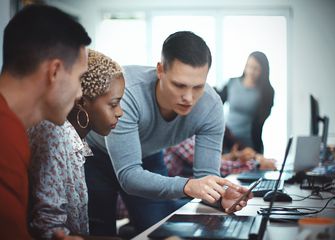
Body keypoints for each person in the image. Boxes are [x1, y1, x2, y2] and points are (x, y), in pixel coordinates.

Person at [85, 31, 251, 235]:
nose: (189, 98)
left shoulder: (210, 106)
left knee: (160, 228)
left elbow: (206, 179)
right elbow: (129, 176)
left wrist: (220, 198)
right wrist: (188, 185)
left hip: (149, 156)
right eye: (179, 85)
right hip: (96, 156)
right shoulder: (128, 93)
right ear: (160, 70)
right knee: (100, 232)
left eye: (198, 86)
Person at [0, 4, 91, 240]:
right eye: (80, 78)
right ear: (55, 72)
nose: (80, 93)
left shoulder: (15, 130)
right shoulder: (5, 137)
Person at [28, 50, 124, 239]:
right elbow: (49, 228)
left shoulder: (75, 138)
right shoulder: (55, 134)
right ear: (83, 101)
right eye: (113, 104)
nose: (120, 112)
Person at [217, 51, 275, 155]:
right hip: (227, 141)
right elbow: (217, 102)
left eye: (256, 68)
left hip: (250, 144)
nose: (251, 71)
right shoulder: (232, 83)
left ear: (263, 71)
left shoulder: (266, 92)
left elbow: (261, 120)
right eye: (249, 66)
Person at [164, 136, 276, 178]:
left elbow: (211, 158)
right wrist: (257, 164)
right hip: (175, 195)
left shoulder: (192, 132)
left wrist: (234, 156)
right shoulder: (180, 137)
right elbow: (212, 166)